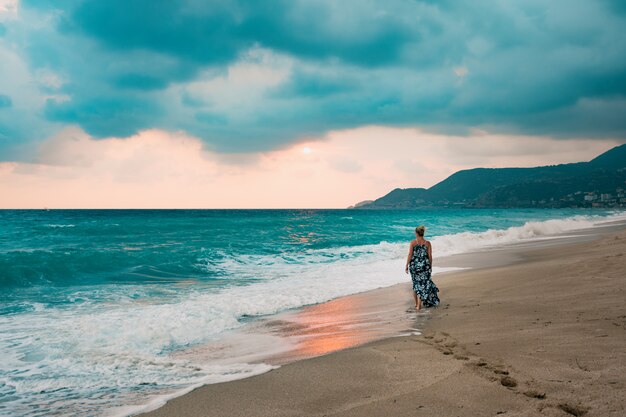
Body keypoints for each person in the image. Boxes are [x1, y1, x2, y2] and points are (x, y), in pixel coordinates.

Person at [405, 225, 440, 310]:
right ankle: (419, 304)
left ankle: (417, 304)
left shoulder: (413, 243)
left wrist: (406, 265)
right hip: (425, 266)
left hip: (415, 267)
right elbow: (430, 256)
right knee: (423, 285)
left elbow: (410, 254)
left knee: (415, 285)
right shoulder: (428, 243)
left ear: (416, 233)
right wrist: (430, 266)